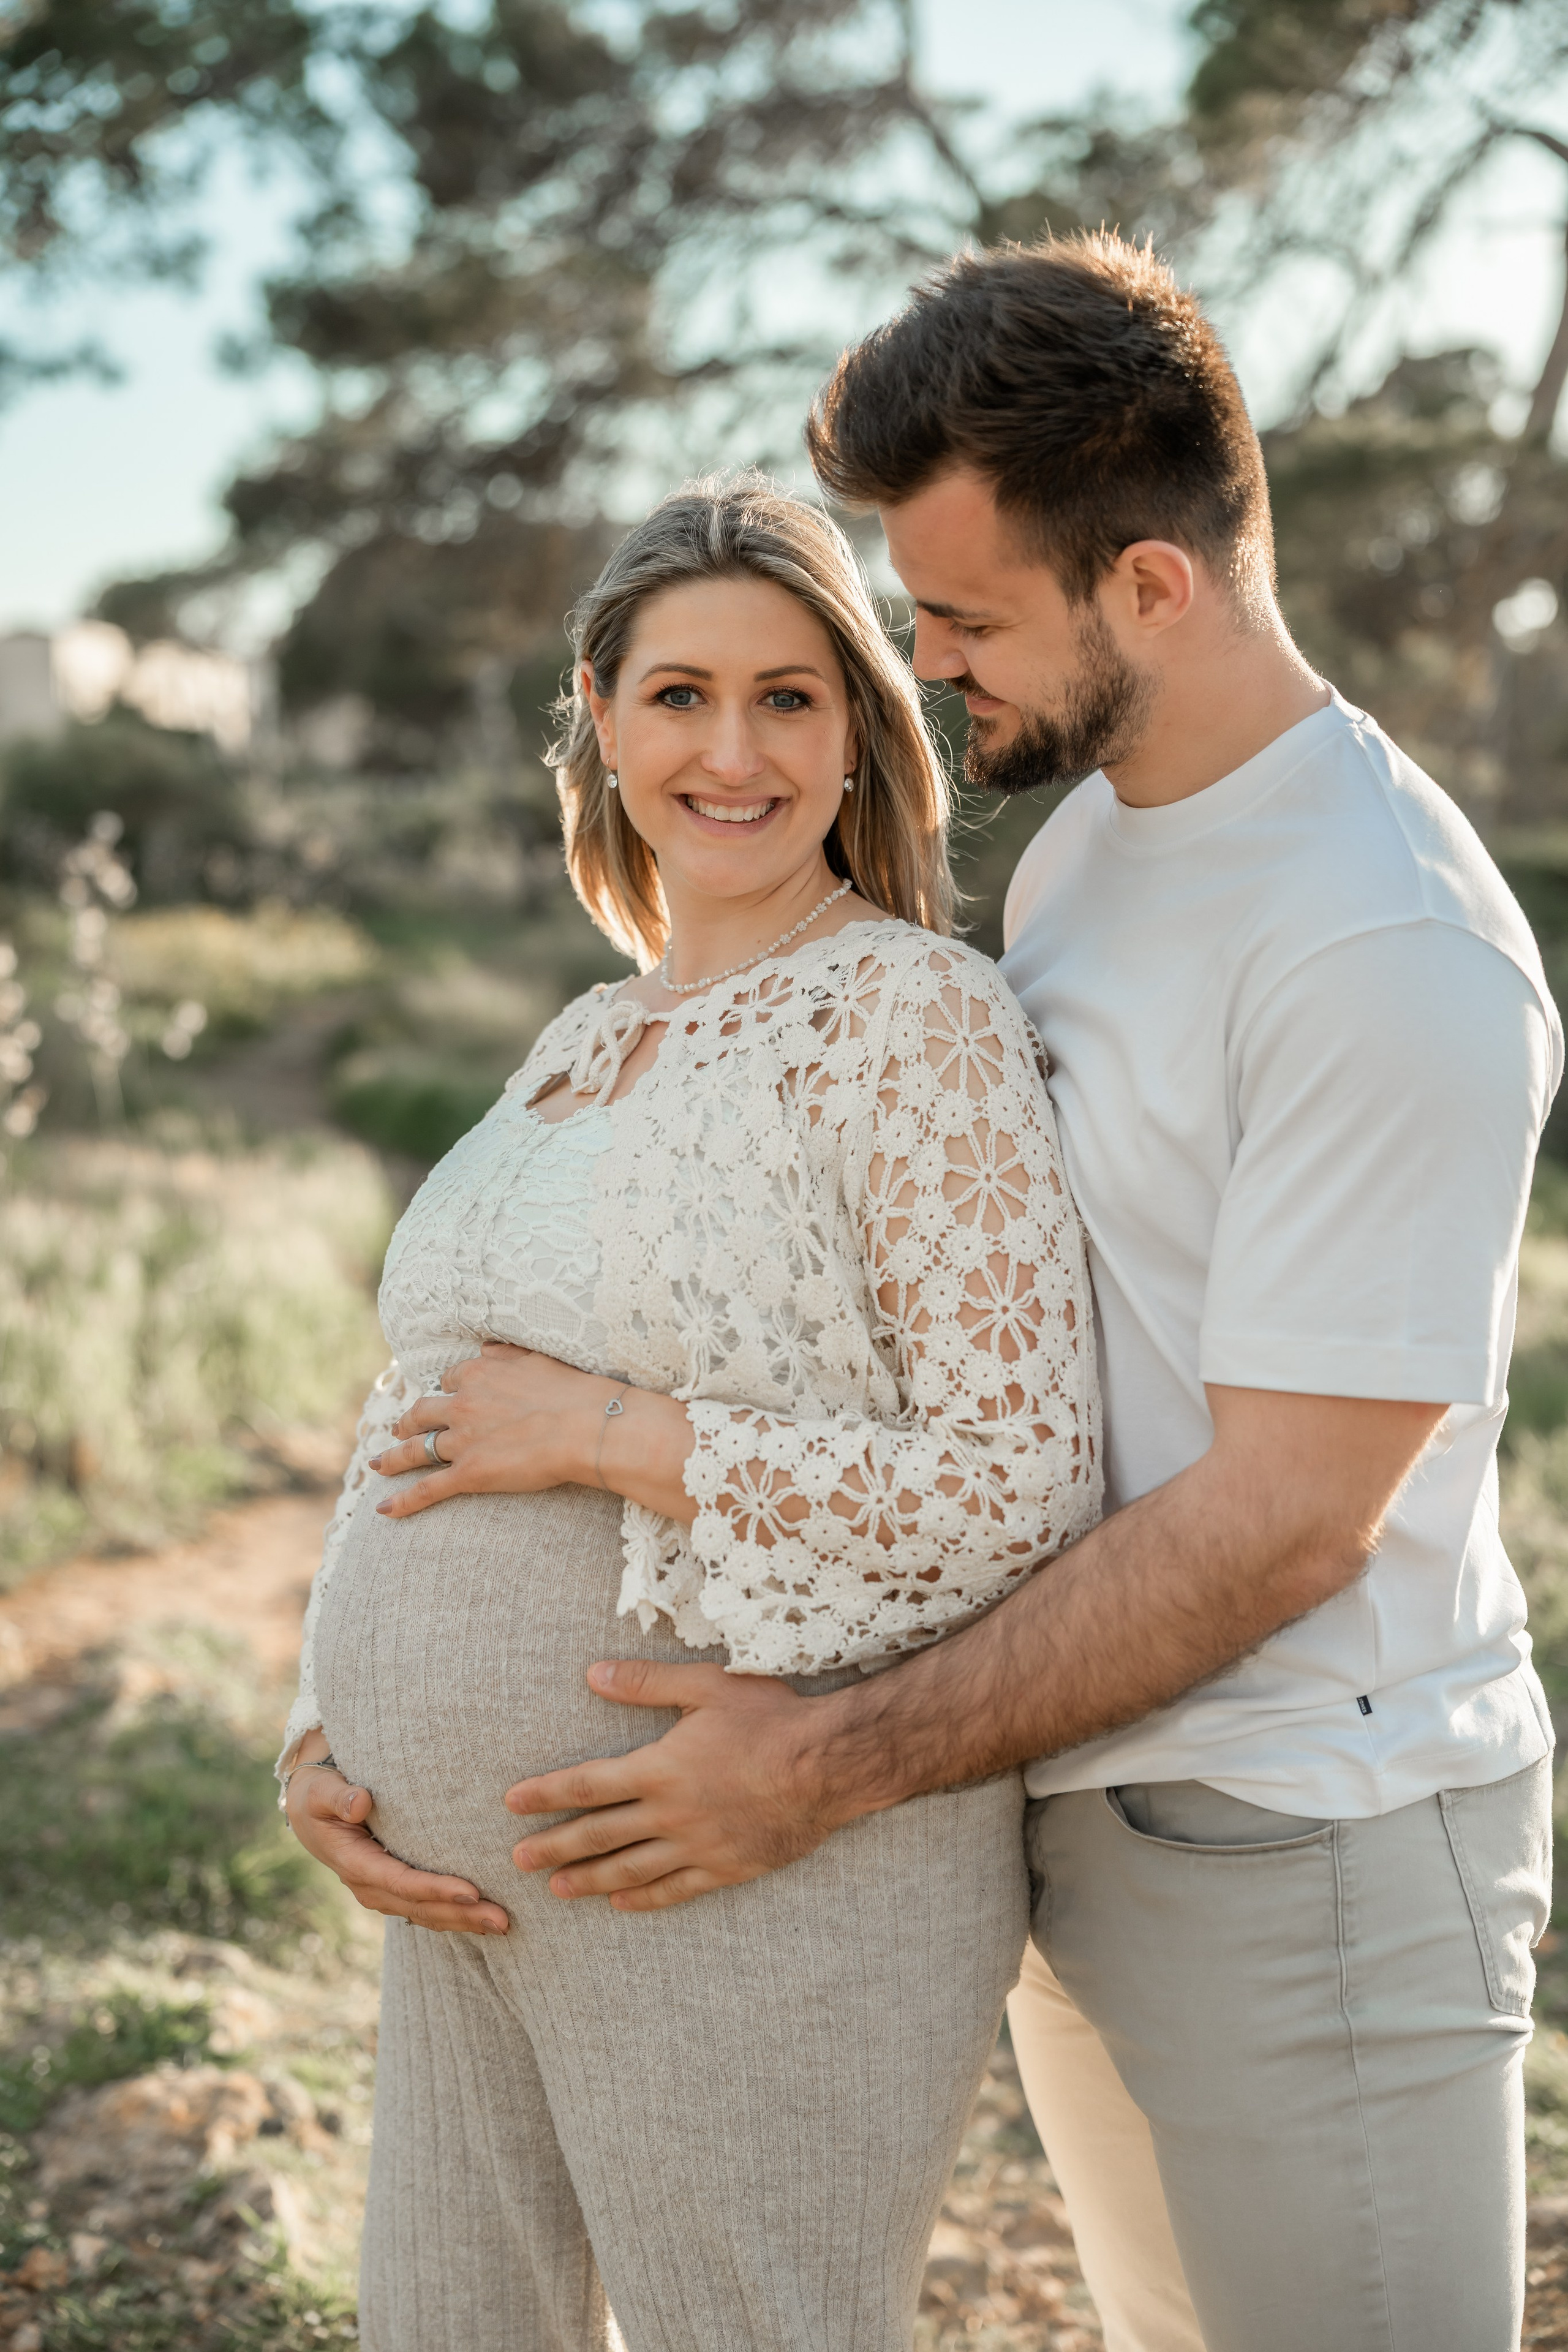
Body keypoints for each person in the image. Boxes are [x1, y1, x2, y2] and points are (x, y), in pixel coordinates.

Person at [505, 236, 1563, 2352]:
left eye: (968, 620)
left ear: (1152, 586)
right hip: (1079, 1782)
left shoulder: (1384, 948)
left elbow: (1288, 1520)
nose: (929, 664)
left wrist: (821, 1765)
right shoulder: (1089, 841)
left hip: (1311, 1845)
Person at [277, 477, 1102, 2352]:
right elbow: (427, 1394)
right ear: (603, 719)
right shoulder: (585, 1034)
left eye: (789, 698)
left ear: (859, 731)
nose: (731, 751)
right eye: (678, 697)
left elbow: (1019, 1485)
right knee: (445, 2326)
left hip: (747, 1859)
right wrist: (324, 1727)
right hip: (460, 1890)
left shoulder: (915, 1019)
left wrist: (609, 1437)